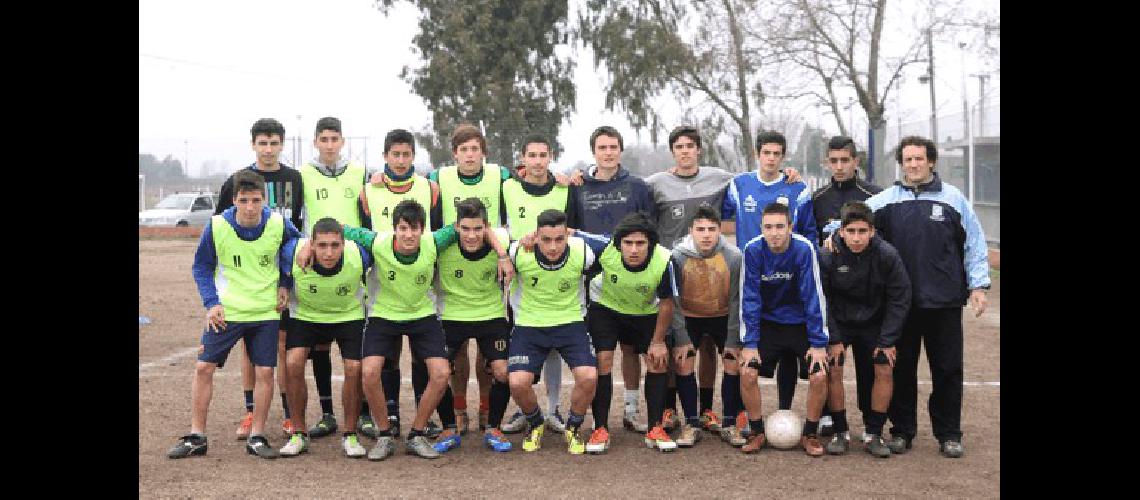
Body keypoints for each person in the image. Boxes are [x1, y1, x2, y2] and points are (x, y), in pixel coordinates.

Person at [297, 199, 510, 460]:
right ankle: (385, 435)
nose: (409, 235)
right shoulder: (377, 242)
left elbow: (478, 226)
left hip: (422, 314)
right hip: (384, 314)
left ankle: (416, 434)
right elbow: (338, 228)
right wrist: (308, 245)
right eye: (403, 228)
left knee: (441, 373)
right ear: (394, 229)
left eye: (414, 229)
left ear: (423, 229)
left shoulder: (434, 241)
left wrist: (502, 254)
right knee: (369, 371)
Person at [838, 136, 990, 458]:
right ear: (902, 164)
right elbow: (851, 224)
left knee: (947, 370)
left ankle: (949, 434)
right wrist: (829, 239)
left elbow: (974, 245)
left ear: (931, 162)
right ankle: (902, 431)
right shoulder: (886, 201)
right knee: (901, 370)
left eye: (919, 158)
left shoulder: (954, 200)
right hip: (900, 305)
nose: (913, 164)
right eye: (907, 159)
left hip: (944, 302)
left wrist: (977, 286)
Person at [168, 169, 302, 460]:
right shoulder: (217, 226)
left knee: (265, 372)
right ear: (234, 200)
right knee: (203, 368)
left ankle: (257, 435)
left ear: (264, 200)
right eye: (244, 200)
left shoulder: (279, 223)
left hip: (266, 311)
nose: (251, 207)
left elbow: (295, 248)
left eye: (256, 200)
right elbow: (201, 267)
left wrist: (285, 282)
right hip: (226, 312)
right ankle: (197, 436)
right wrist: (211, 303)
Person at [722, 129, 821, 434]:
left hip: (791, 273)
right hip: (752, 270)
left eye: (777, 154)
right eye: (766, 153)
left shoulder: (797, 188)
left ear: (783, 156)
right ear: (757, 153)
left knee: (800, 356)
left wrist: (809, 261)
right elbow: (724, 220)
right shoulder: (739, 185)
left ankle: (817, 422)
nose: (771, 158)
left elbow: (809, 232)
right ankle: (739, 419)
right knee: (741, 352)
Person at [215, 118, 305, 440]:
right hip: (245, 282)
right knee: (249, 348)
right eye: (262, 143)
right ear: (253, 144)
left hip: (279, 278)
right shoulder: (236, 181)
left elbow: (296, 233)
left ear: (282, 144)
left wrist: (287, 279)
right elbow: (221, 230)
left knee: (280, 343)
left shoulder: (295, 179)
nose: (268, 149)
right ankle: (251, 410)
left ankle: (285, 414)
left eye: (274, 143)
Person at [567, 125, 656, 434]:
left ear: (621, 150)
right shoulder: (579, 186)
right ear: (594, 151)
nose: (608, 152)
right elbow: (571, 232)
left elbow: (648, 228)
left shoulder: (636, 186)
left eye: (613, 147)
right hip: (596, 283)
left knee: (632, 350)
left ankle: (631, 410)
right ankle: (599, 421)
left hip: (634, 279)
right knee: (602, 353)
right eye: (602, 147)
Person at [572, 213, 681, 453]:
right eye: (628, 243)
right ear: (618, 242)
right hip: (607, 309)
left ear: (650, 244)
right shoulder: (605, 248)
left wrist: (658, 342)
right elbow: (571, 233)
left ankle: (655, 428)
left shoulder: (664, 261)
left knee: (657, 361)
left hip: (645, 312)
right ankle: (600, 428)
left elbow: (666, 303)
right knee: (603, 360)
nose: (633, 250)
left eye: (640, 243)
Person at [360, 129, 443, 440]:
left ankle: (424, 413)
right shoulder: (369, 189)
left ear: (413, 156)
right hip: (384, 278)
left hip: (420, 276)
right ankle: (391, 412)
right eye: (395, 154)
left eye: (406, 154)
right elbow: (361, 231)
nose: (400, 160)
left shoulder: (429, 188)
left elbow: (440, 229)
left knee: (423, 354)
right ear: (385, 157)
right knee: (389, 352)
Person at [294, 117, 371, 441]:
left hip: (352, 262)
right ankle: (326, 414)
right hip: (316, 256)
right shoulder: (303, 174)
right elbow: (299, 217)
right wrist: (304, 246)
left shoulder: (359, 171)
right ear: (315, 142)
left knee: (359, 344)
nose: (328, 144)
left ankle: (363, 414)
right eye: (323, 139)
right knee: (320, 345)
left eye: (334, 138)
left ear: (342, 141)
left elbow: (368, 214)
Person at [817, 202, 911, 458]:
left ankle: (874, 432)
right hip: (840, 321)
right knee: (833, 365)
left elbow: (900, 298)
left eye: (862, 231)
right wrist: (834, 338)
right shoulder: (827, 254)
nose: (856, 238)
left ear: (871, 231)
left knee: (884, 365)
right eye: (851, 231)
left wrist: (888, 340)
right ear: (842, 231)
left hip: (874, 322)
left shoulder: (887, 254)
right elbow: (821, 299)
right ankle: (840, 431)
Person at [736, 203, 829, 456]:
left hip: (800, 324)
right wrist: (750, 343)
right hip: (768, 325)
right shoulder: (753, 249)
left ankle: (810, 433)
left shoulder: (803, 248)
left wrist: (819, 344)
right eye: (768, 227)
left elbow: (813, 296)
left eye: (780, 226)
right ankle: (756, 431)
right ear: (761, 228)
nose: (774, 232)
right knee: (746, 373)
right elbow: (750, 298)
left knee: (820, 375)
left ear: (790, 227)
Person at [508, 209, 599, 455]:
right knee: (517, 383)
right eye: (546, 239)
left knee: (589, 376)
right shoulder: (518, 251)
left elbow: (614, 243)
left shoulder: (582, 251)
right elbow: (490, 235)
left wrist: (578, 233)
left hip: (570, 323)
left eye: (559, 239)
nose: (552, 247)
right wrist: (501, 255)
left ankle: (573, 427)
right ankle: (536, 423)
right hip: (529, 324)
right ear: (536, 235)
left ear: (567, 236)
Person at [277, 217, 370, 458]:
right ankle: (299, 433)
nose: (329, 252)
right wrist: (284, 284)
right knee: (293, 363)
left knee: (354, 367)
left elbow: (382, 247)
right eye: (322, 245)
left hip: (348, 314)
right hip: (306, 315)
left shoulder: (359, 254)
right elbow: (275, 253)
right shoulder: (293, 250)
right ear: (312, 244)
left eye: (335, 245)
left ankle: (350, 434)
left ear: (344, 243)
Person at [430, 198, 516, 453]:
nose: (471, 235)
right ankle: (453, 420)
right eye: (465, 228)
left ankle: (492, 424)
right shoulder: (443, 243)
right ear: (456, 226)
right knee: (441, 371)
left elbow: (502, 236)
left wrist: (501, 254)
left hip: (490, 314)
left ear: (487, 227)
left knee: (502, 370)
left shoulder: (500, 238)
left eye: (478, 229)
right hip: (451, 314)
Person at [668, 206, 744, 445]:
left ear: (720, 230)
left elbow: (735, 300)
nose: (706, 234)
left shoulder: (733, 257)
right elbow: (674, 301)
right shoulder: (677, 256)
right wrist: (681, 338)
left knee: (732, 361)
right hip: (689, 316)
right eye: (700, 229)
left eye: (712, 229)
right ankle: (691, 423)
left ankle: (730, 423)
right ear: (691, 231)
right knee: (684, 360)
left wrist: (733, 340)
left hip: (722, 316)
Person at [811, 136, 881, 245]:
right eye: (833, 161)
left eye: (844, 160)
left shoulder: (875, 196)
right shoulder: (818, 198)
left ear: (856, 162)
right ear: (827, 163)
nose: (839, 167)